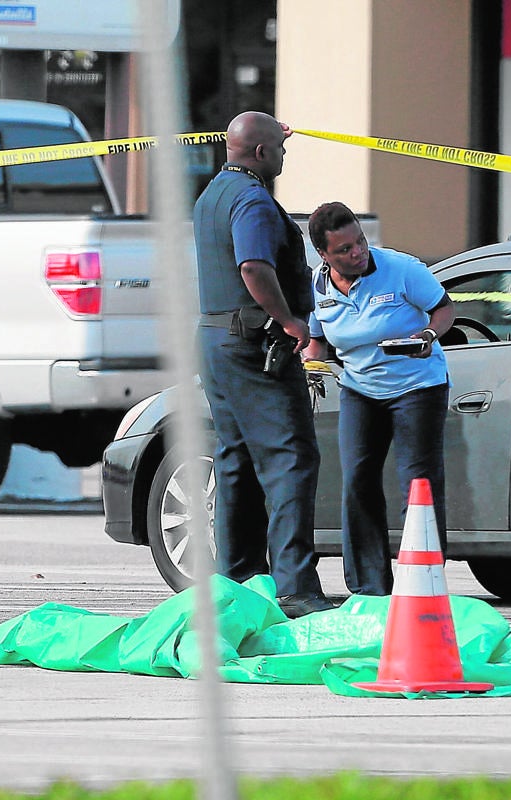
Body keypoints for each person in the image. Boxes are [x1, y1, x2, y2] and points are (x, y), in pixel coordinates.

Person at [193, 111, 332, 619]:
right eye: (280, 150)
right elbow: (253, 266)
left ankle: (237, 580)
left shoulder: (213, 194)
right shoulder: (252, 200)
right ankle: (296, 588)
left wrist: (275, 130)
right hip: (253, 343)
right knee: (290, 457)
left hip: (215, 339)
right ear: (261, 154)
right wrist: (292, 321)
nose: (285, 157)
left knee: (237, 459)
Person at [303, 201, 455, 596]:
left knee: (418, 482)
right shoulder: (317, 287)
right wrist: (310, 366)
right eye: (344, 250)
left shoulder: (401, 269)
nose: (357, 253)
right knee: (357, 480)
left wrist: (428, 336)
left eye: (360, 242)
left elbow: (443, 310)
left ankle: (423, 580)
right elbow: (317, 339)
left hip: (417, 386)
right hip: (360, 389)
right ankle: (370, 586)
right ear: (324, 255)